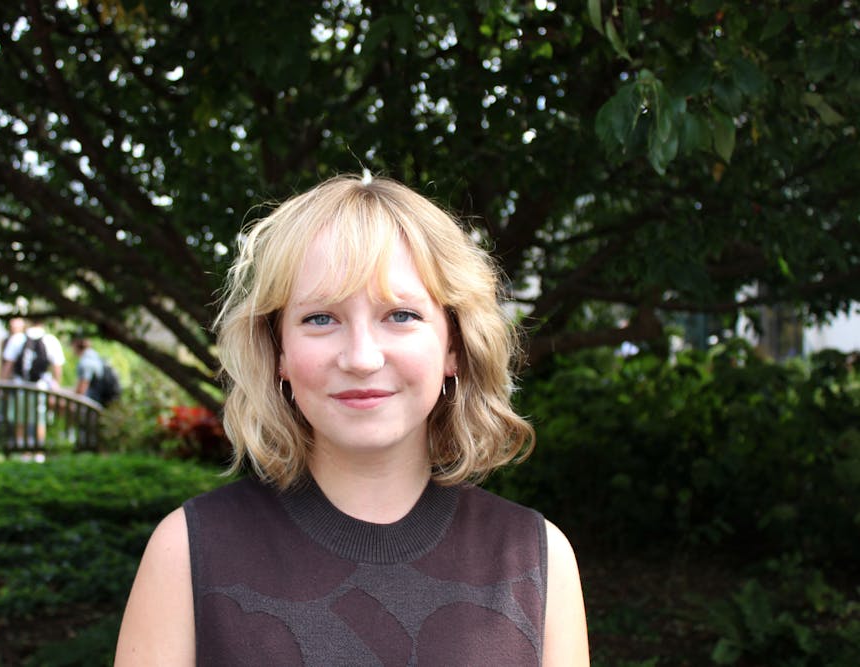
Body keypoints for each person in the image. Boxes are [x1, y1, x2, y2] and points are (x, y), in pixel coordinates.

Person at [115, 175, 589, 666]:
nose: (361, 358)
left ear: (453, 345)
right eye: (321, 318)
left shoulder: (538, 560)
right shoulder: (186, 553)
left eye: (400, 315)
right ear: (278, 352)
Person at [0, 319, 65, 445]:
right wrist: (55, 386)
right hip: (41, 387)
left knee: (20, 419)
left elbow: (7, 365)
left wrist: (2, 385)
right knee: (40, 420)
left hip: (20, 386)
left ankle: (21, 447)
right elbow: (57, 368)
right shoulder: (50, 340)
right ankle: (38, 448)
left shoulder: (17, 339)